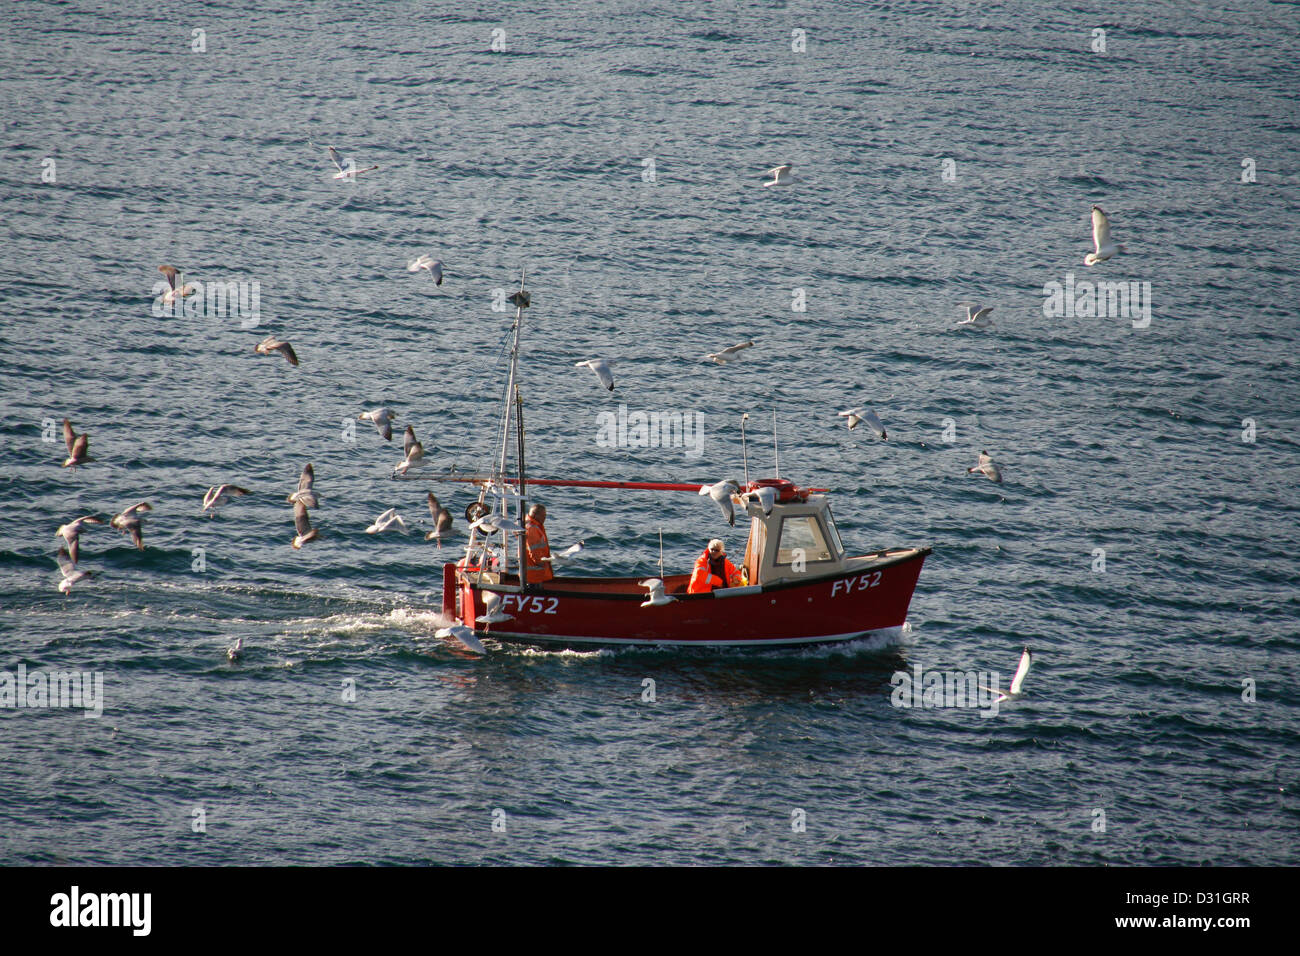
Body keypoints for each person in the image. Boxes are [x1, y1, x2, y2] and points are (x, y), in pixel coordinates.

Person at [524, 503, 553, 584]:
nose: (545, 518)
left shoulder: (532, 526)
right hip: (534, 574)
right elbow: (534, 551)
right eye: (543, 516)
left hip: (533, 573)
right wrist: (543, 564)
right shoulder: (532, 529)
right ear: (535, 515)